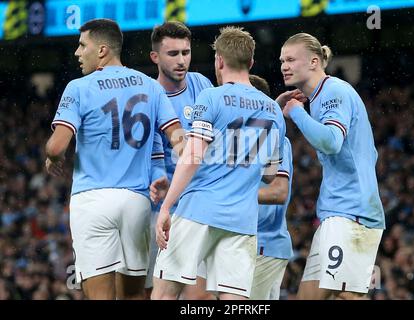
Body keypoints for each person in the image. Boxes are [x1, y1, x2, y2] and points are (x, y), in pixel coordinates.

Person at [44, 18, 183, 300]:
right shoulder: (151, 86)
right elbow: (177, 137)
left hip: (92, 200)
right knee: (133, 296)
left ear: (102, 50)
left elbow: (57, 147)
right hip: (136, 201)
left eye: (82, 45)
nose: (77, 52)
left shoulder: (79, 87)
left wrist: (51, 156)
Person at [151, 26, 286, 300]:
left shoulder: (210, 97)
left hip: (197, 211)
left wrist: (166, 207)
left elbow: (191, 156)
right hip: (243, 220)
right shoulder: (275, 111)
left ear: (220, 61)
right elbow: (271, 174)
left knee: (165, 294)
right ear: (251, 63)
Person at [278, 32, 385, 300]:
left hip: (349, 215)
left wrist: (296, 112)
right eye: (282, 60)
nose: (284, 66)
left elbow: (332, 142)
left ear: (314, 62)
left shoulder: (332, 91)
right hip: (350, 213)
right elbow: (369, 154)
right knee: (341, 296)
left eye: (291, 59)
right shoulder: (323, 96)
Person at [144, 21, 215, 300]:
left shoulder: (202, 84)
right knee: (155, 291)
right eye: (173, 54)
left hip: (202, 204)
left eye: (186, 52)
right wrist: (158, 177)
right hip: (165, 208)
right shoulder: (148, 96)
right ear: (155, 57)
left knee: (202, 295)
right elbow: (151, 152)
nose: (182, 60)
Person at [248, 75, 294, 300]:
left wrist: (233, 194)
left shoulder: (277, 139)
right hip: (241, 241)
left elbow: (278, 192)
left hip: (265, 244)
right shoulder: (236, 140)